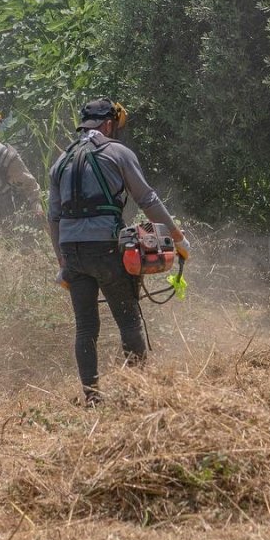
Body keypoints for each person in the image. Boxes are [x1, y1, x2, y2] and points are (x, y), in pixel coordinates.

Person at [48, 97, 189, 404]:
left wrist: (62, 263)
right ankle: (137, 392)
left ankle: (92, 398)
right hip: (107, 249)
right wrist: (177, 239)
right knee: (128, 321)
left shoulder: (61, 163)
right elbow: (147, 200)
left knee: (86, 327)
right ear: (109, 124)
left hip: (72, 251)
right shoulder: (117, 153)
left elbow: (54, 217)